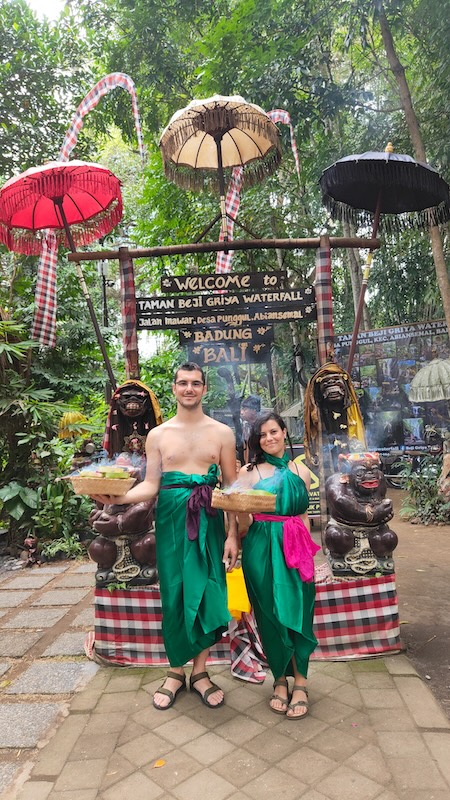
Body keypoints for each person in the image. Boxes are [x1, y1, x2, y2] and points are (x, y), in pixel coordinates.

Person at [91, 362, 239, 710]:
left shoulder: (222, 433)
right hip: (172, 520)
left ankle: (200, 672)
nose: (189, 389)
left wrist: (233, 536)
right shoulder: (158, 435)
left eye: (196, 383)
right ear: (174, 388)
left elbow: (232, 489)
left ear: (204, 389)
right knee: (174, 593)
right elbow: (151, 485)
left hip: (209, 518)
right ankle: (175, 671)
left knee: (206, 591)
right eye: (183, 383)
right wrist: (118, 498)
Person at [236, 411, 319, 719]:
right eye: (262, 434)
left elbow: (303, 516)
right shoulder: (249, 472)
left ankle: (301, 682)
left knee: (299, 609)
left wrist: (310, 555)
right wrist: (237, 515)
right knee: (269, 612)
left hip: (295, 545)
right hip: (260, 545)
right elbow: (240, 519)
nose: (269, 438)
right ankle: (280, 681)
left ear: (285, 432)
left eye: (274, 431)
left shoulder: (302, 471)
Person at [237, 394, 261, 464]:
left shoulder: (262, 427)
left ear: (254, 411)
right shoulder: (245, 426)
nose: (241, 412)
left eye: (245, 409)